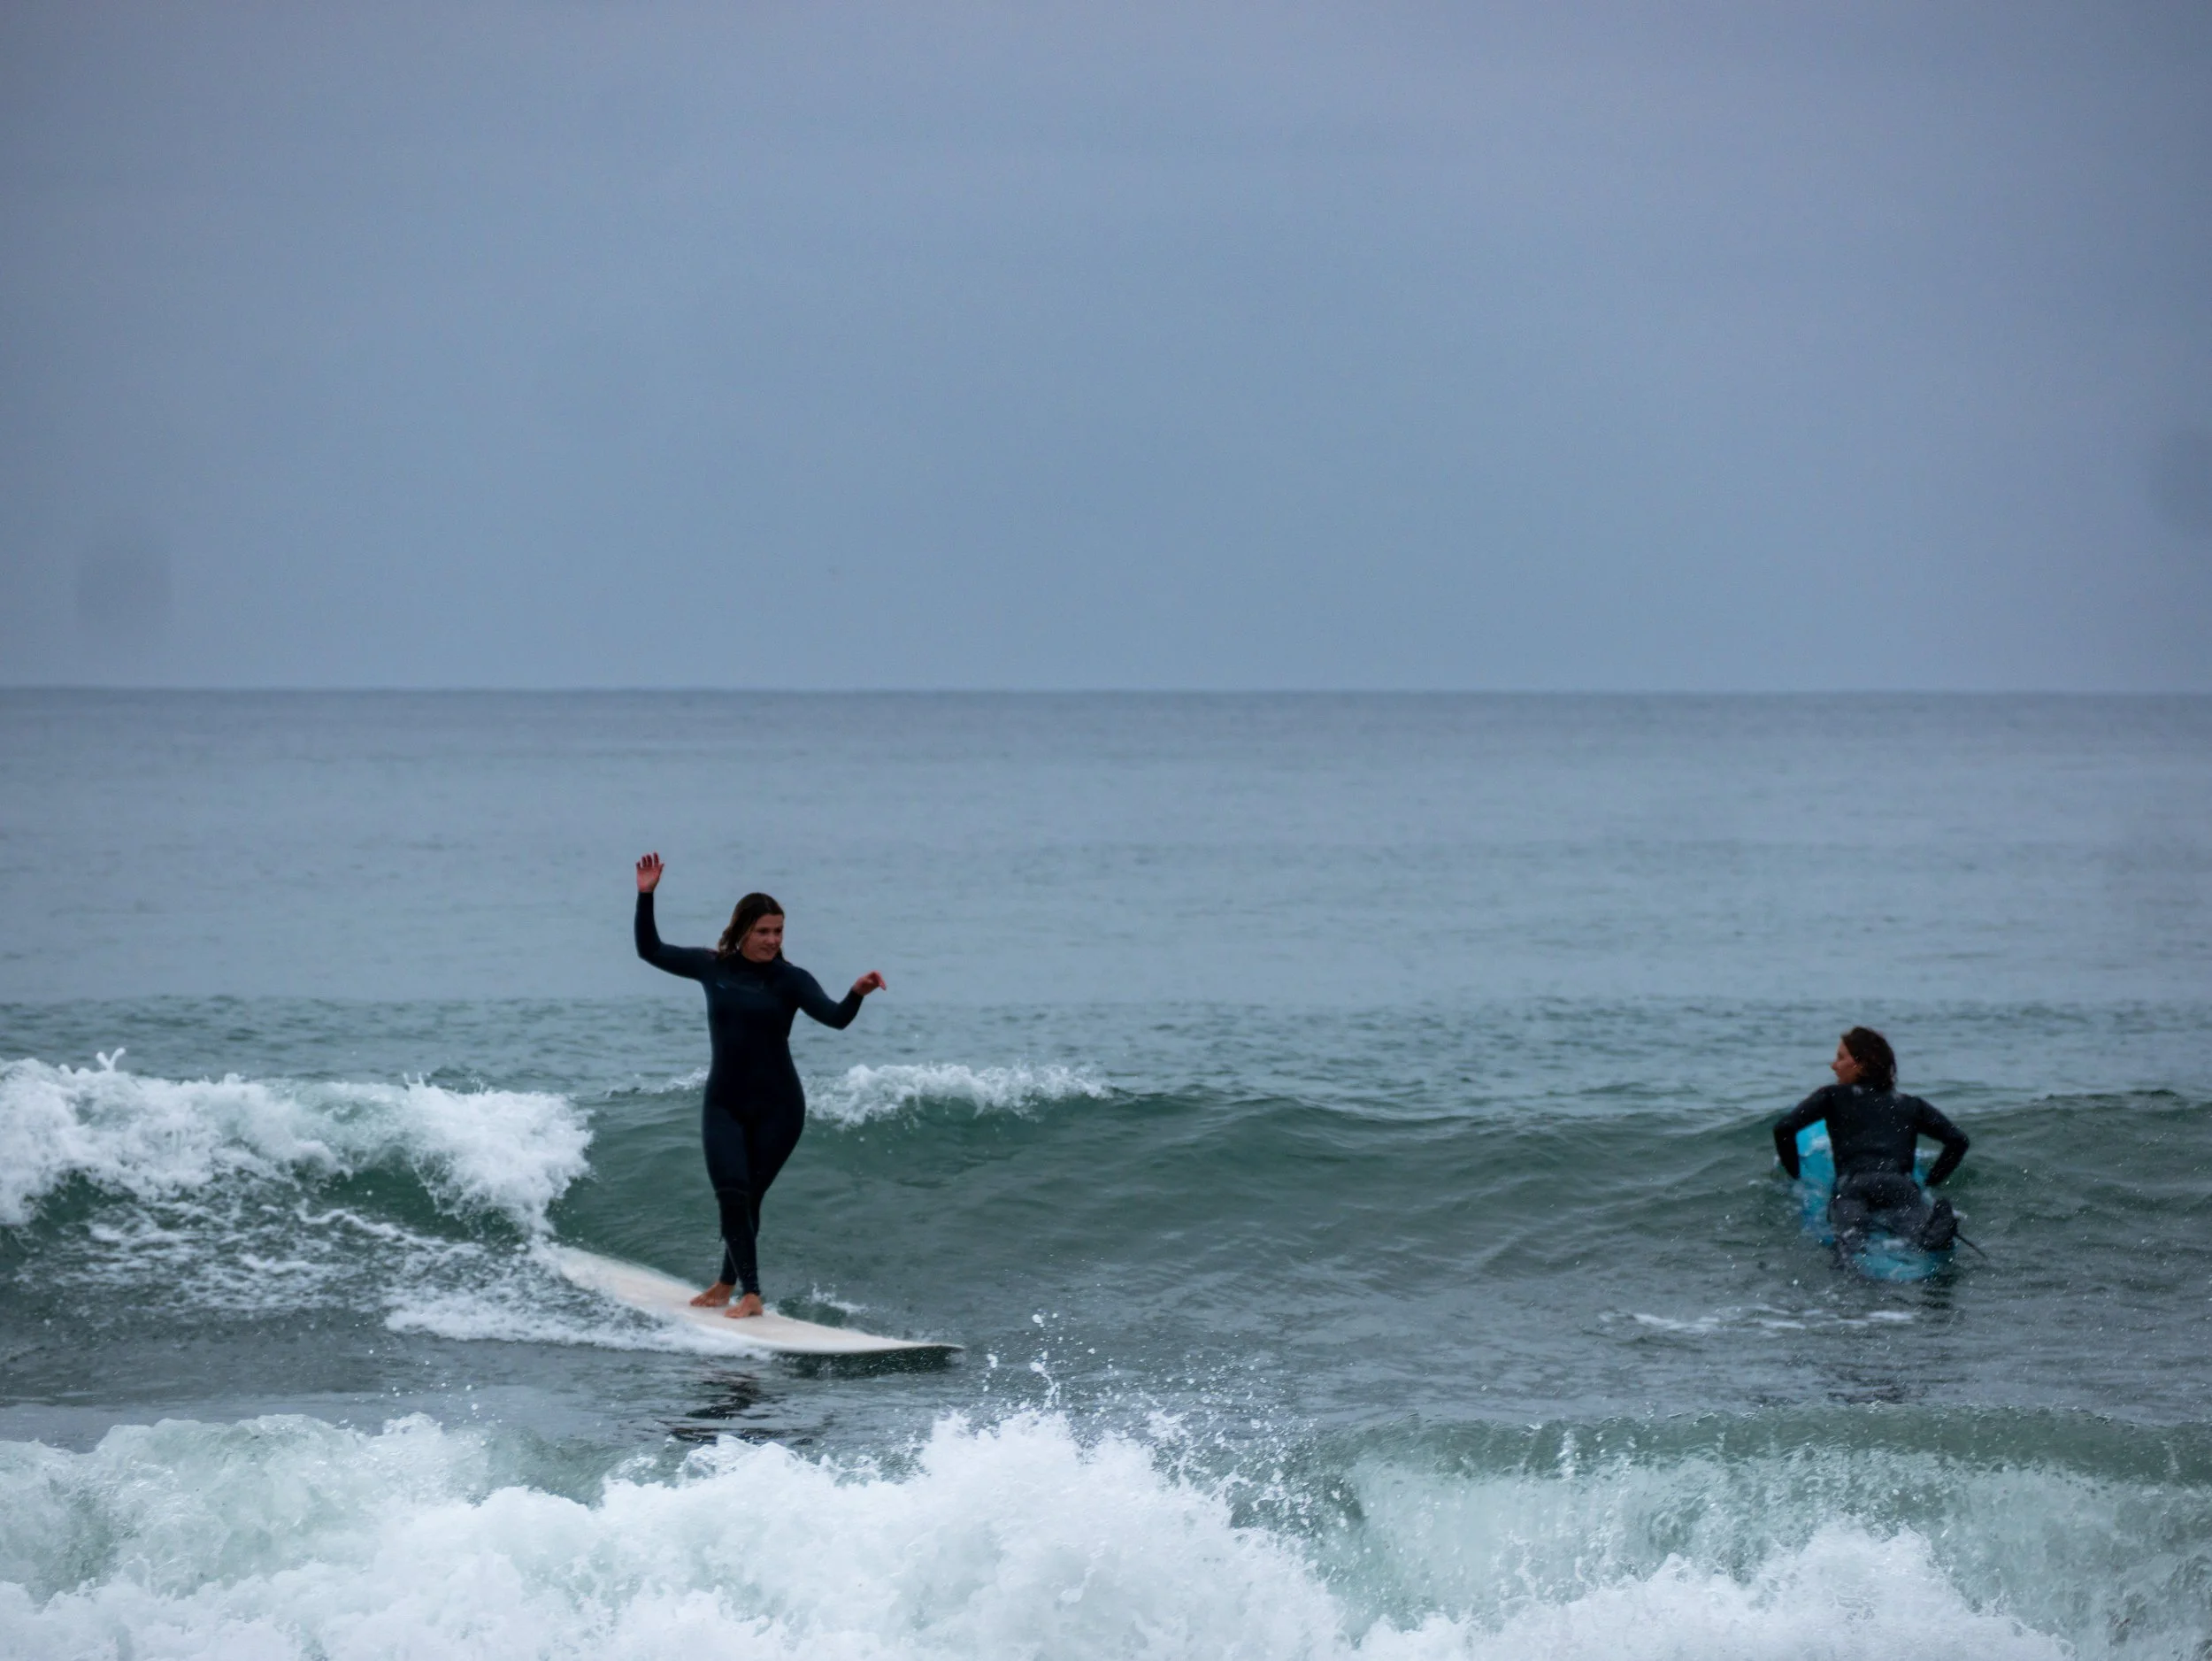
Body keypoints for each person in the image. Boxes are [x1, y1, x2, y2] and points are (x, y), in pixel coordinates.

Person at [633, 851, 885, 1318]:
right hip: (724, 1102)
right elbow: (650, 951)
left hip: (779, 1108)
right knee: (731, 1194)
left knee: (750, 1197)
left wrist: (856, 994)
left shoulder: (790, 980)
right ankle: (740, 1286)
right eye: (764, 931)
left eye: (779, 931)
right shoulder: (712, 967)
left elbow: (835, 1019)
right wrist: (646, 896)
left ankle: (745, 1291)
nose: (773, 940)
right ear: (743, 930)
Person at [1773, 1027, 1969, 1256]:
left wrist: (1796, 1175)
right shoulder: (1909, 1104)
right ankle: (1934, 1233)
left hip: (1855, 1185)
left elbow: (1784, 1128)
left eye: (1840, 1058)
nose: (1834, 1065)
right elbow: (1958, 1141)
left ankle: (1852, 1260)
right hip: (1900, 1186)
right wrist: (1930, 1181)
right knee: (1918, 1233)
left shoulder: (1833, 1096)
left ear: (1861, 1065)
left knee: (1849, 1241)